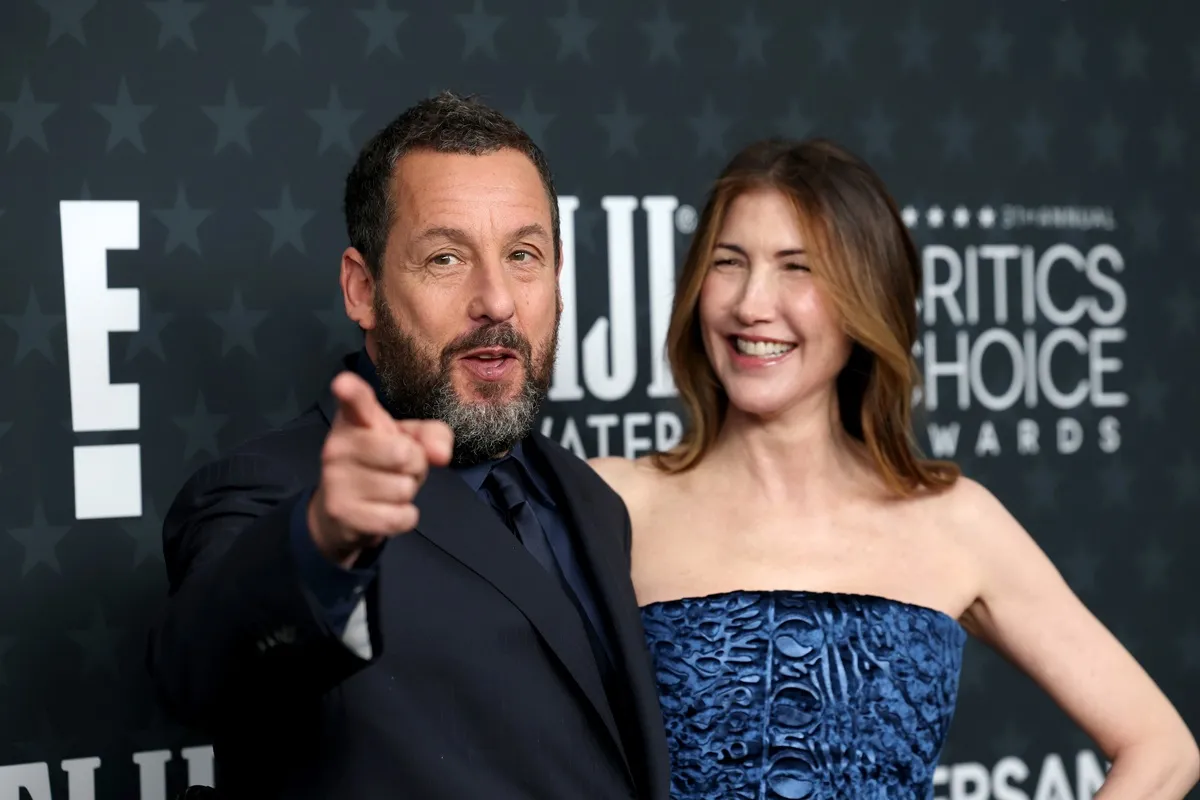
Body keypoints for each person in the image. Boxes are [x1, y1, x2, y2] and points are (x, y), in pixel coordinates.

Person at [588, 138, 1200, 799]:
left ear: (865, 299)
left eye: (799, 268)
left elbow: (1162, 750)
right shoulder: (614, 503)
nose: (751, 304)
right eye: (728, 262)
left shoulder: (953, 518)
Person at [146, 92, 670, 800]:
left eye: (524, 254)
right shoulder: (271, 492)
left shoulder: (590, 499)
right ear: (362, 290)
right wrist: (322, 544)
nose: (497, 300)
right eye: (446, 258)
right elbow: (199, 671)